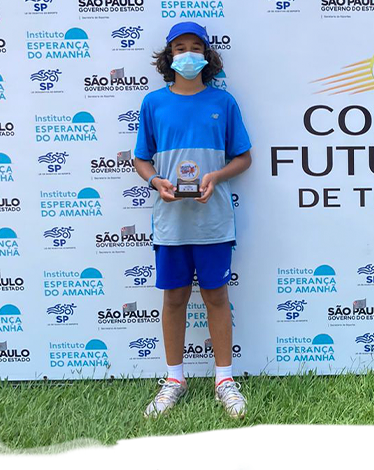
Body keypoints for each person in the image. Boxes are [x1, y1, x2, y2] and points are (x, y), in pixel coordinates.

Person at [133, 21, 253, 418]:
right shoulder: (153, 103)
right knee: (174, 299)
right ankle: (174, 379)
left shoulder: (224, 103)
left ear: (207, 55)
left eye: (195, 47)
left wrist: (216, 176)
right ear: (169, 55)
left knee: (216, 297)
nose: (188, 54)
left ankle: (224, 380)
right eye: (180, 47)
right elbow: (141, 159)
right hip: (171, 223)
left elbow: (244, 157)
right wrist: (155, 181)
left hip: (213, 222)